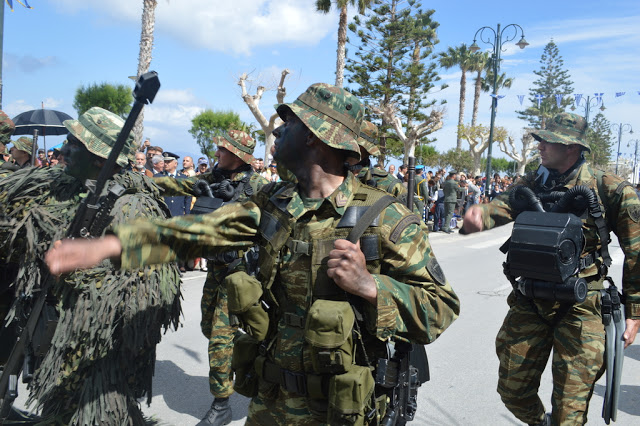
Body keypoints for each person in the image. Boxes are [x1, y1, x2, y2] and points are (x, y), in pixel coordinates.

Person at [46, 83, 460, 425]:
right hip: (270, 402)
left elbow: (441, 307)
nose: (277, 134)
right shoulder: (273, 202)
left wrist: (371, 287)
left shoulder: (384, 217)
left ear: (314, 137)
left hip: (341, 410)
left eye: (288, 125)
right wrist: (110, 245)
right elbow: (202, 230)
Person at [0, 107, 181, 425]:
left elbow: (156, 297)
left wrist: (84, 274)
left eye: (74, 143)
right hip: (55, 346)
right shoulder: (70, 187)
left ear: (100, 159)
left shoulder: (135, 207)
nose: (64, 150)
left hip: (97, 363)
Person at [462, 112, 640, 425]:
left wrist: (635, 313)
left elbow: (636, 252)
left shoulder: (610, 188)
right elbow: (499, 207)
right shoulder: (532, 183)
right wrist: (480, 215)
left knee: (569, 411)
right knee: (512, 390)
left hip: (582, 306)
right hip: (530, 299)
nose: (540, 146)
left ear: (572, 147)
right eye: (540, 140)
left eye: (549, 141)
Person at [152, 129, 268, 425]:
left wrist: (237, 207)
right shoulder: (213, 179)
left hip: (239, 273)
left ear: (240, 155)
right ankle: (251, 351)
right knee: (208, 326)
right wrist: (141, 182)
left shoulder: (256, 185)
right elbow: (176, 184)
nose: (217, 154)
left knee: (219, 336)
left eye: (223, 150)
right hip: (216, 269)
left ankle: (221, 404)